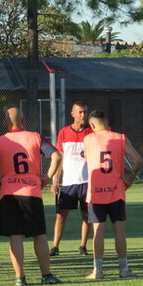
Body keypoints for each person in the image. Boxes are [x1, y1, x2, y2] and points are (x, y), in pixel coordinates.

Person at [0, 107, 62, 286]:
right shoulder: (36, 137)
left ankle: (20, 277)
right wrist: (47, 178)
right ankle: (46, 275)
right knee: (39, 234)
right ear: (23, 122)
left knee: (15, 235)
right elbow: (56, 156)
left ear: (5, 123)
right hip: (32, 191)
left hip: (9, 192)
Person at [82, 110, 143, 280]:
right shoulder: (120, 138)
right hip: (116, 190)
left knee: (98, 231)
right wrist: (130, 179)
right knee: (119, 230)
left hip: (96, 192)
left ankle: (98, 270)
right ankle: (123, 269)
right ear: (106, 121)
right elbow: (138, 160)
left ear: (92, 125)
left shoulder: (87, 139)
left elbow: (87, 156)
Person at [50, 101, 92, 256]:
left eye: (85, 112)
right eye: (80, 112)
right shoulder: (63, 133)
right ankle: (55, 246)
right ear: (73, 114)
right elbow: (59, 158)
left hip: (86, 181)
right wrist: (56, 181)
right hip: (68, 182)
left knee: (87, 215)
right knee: (61, 215)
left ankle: (83, 246)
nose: (83, 115)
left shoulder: (90, 133)